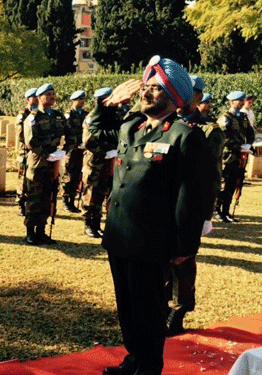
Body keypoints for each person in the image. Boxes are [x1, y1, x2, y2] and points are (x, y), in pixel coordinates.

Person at [88, 56, 211, 375]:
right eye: (147, 86)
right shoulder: (130, 126)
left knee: (149, 311)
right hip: (119, 237)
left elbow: (191, 197)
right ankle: (134, 358)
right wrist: (107, 106)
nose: (147, 92)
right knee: (127, 309)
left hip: (152, 242)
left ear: (173, 98)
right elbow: (94, 140)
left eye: (156, 89)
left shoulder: (185, 135)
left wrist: (185, 247)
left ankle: (148, 367)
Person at [165, 75, 224, 336]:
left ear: (198, 97)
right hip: (160, 203)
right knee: (159, 258)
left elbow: (211, 176)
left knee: (183, 261)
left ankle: (178, 312)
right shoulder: (163, 122)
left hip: (188, 205)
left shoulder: (209, 130)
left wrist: (206, 214)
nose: (180, 97)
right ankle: (159, 306)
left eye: (187, 93)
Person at [23, 83, 75, 245]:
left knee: (48, 197)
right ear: (39, 97)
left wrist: (65, 150)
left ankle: (42, 231)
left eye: (53, 94)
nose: (52, 97)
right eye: (48, 94)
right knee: (34, 198)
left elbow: (71, 134)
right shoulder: (33, 117)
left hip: (52, 163)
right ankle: (30, 232)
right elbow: (31, 142)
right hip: (38, 163)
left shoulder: (58, 116)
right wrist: (47, 155)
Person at [81, 87, 117, 238]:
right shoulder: (92, 117)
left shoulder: (111, 117)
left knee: (102, 192)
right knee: (91, 193)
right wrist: (105, 152)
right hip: (94, 162)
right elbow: (88, 141)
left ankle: (97, 224)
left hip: (108, 162)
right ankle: (88, 224)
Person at [216, 91, 255, 223]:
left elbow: (250, 133)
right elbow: (223, 137)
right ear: (231, 102)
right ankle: (217, 211)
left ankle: (226, 212)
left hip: (239, 157)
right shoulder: (225, 118)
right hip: (227, 156)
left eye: (242, 100)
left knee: (233, 185)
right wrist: (238, 147)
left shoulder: (243, 117)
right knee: (223, 184)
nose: (242, 102)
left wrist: (249, 145)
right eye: (239, 100)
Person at [61, 90, 87, 213]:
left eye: (83, 99)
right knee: (69, 176)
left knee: (78, 176)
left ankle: (73, 201)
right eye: (79, 99)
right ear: (73, 100)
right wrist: (78, 142)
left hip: (83, 150)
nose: (82, 101)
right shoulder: (69, 114)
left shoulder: (86, 115)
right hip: (72, 149)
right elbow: (69, 131)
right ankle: (66, 201)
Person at [15, 88, 39, 217]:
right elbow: (20, 134)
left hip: (36, 154)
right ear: (27, 99)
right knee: (23, 179)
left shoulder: (40, 114)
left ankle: (32, 204)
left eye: (37, 96)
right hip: (25, 152)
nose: (36, 99)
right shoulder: (23, 114)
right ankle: (21, 204)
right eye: (33, 97)